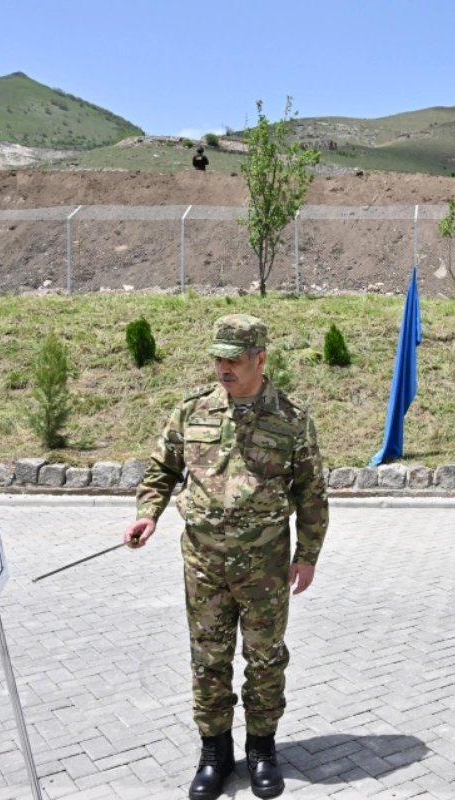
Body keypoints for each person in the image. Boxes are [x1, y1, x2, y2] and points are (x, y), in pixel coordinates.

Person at [124, 314, 328, 800]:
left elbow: (312, 493)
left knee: (264, 658)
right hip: (203, 564)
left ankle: (261, 750)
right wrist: (147, 513)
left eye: (233, 359)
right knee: (208, 660)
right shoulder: (192, 411)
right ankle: (214, 753)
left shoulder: (292, 419)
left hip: (266, 567)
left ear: (260, 359)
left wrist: (308, 555)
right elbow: (161, 469)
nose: (223, 368)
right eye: (217, 358)